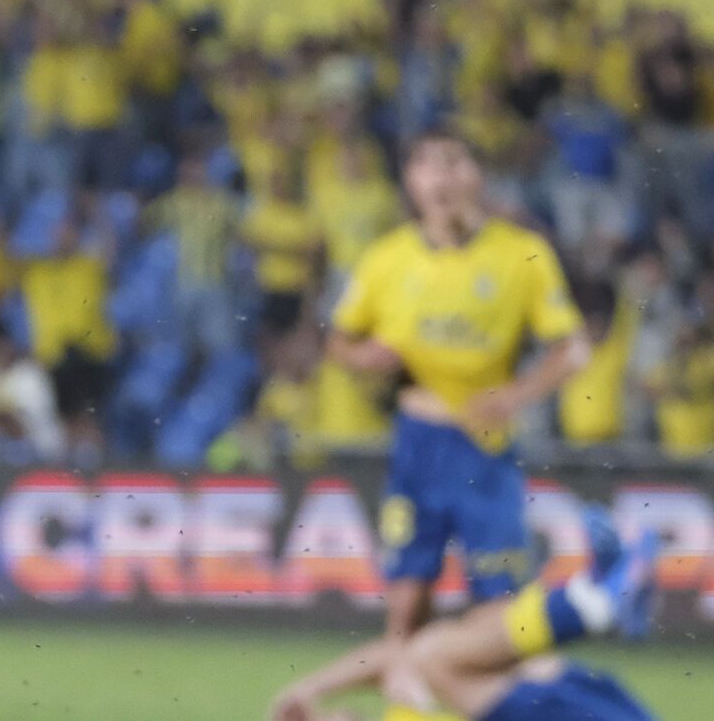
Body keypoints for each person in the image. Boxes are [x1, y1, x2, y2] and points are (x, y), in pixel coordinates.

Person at [329, 129, 590, 653]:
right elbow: (339, 340)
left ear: (478, 175)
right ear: (411, 180)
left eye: (454, 162)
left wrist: (515, 396)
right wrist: (367, 359)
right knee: (405, 607)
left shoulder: (523, 254)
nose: (441, 177)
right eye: (427, 164)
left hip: (484, 448)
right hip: (417, 444)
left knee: (502, 610)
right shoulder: (386, 257)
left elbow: (573, 348)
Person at [268, 509, 660, 721]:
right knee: (437, 653)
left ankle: (590, 602)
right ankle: (590, 603)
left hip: (573, 696)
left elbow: (395, 655)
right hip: (562, 704)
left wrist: (308, 688)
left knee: (448, 646)